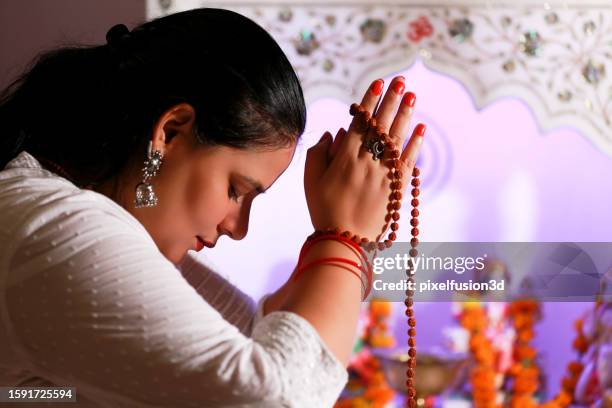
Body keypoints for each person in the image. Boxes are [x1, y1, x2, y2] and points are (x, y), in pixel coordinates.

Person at [0, 7, 424, 407]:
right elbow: (272, 396)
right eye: (236, 191)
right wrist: (342, 238)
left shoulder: (80, 216)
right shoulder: (56, 229)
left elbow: (253, 339)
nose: (236, 227)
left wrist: (344, 239)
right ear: (171, 132)